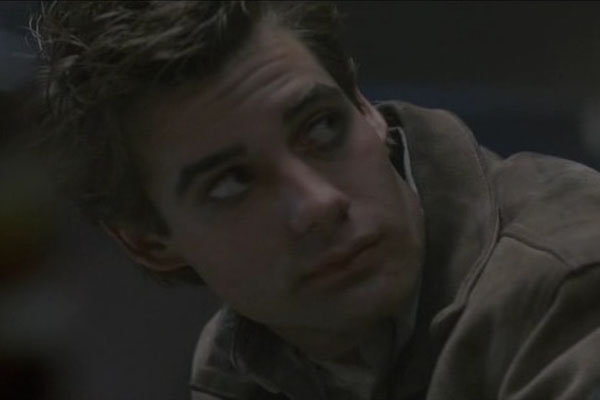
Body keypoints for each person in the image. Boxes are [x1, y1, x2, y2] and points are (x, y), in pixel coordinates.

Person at [32, 1, 600, 399]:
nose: (319, 204)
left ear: (365, 109)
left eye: (322, 127)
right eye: (231, 183)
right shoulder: (247, 358)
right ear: (149, 242)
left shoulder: (569, 277)